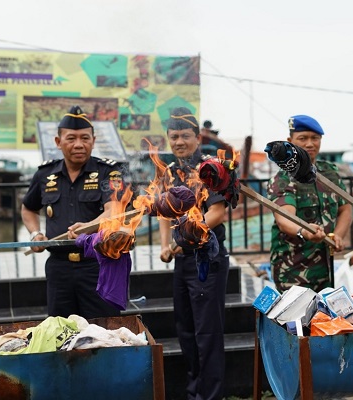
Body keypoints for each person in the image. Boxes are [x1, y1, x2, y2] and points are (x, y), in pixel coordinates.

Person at [21, 105, 124, 321]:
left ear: (93, 141)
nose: (79, 144)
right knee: (61, 333)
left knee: (103, 330)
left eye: (85, 138)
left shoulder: (109, 172)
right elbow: (28, 208)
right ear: (58, 142)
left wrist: (88, 228)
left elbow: (114, 210)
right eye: (71, 138)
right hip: (59, 269)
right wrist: (35, 234)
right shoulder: (44, 174)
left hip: (98, 265)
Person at [159, 107, 229, 400]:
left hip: (206, 260)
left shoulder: (209, 168)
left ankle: (210, 396)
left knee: (207, 334)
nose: (179, 142)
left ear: (197, 137)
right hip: (182, 259)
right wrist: (166, 244)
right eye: (174, 136)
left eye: (185, 136)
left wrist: (184, 237)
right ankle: (194, 393)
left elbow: (217, 212)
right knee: (186, 332)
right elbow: (163, 211)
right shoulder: (169, 171)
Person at [267, 115, 353, 293]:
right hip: (293, 268)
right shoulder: (283, 178)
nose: (309, 144)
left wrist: (338, 235)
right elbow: (285, 218)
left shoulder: (329, 172)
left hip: (325, 267)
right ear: (290, 141)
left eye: (315, 138)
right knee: (296, 319)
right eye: (303, 138)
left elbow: (345, 208)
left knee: (324, 317)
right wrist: (303, 231)